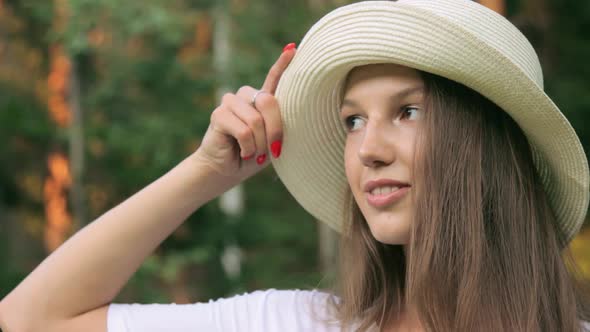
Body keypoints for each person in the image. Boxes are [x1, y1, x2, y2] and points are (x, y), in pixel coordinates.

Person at [1, 0, 589, 331]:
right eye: (353, 120)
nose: (368, 149)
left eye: (407, 111)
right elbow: (29, 322)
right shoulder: (297, 323)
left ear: (486, 148)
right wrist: (205, 175)